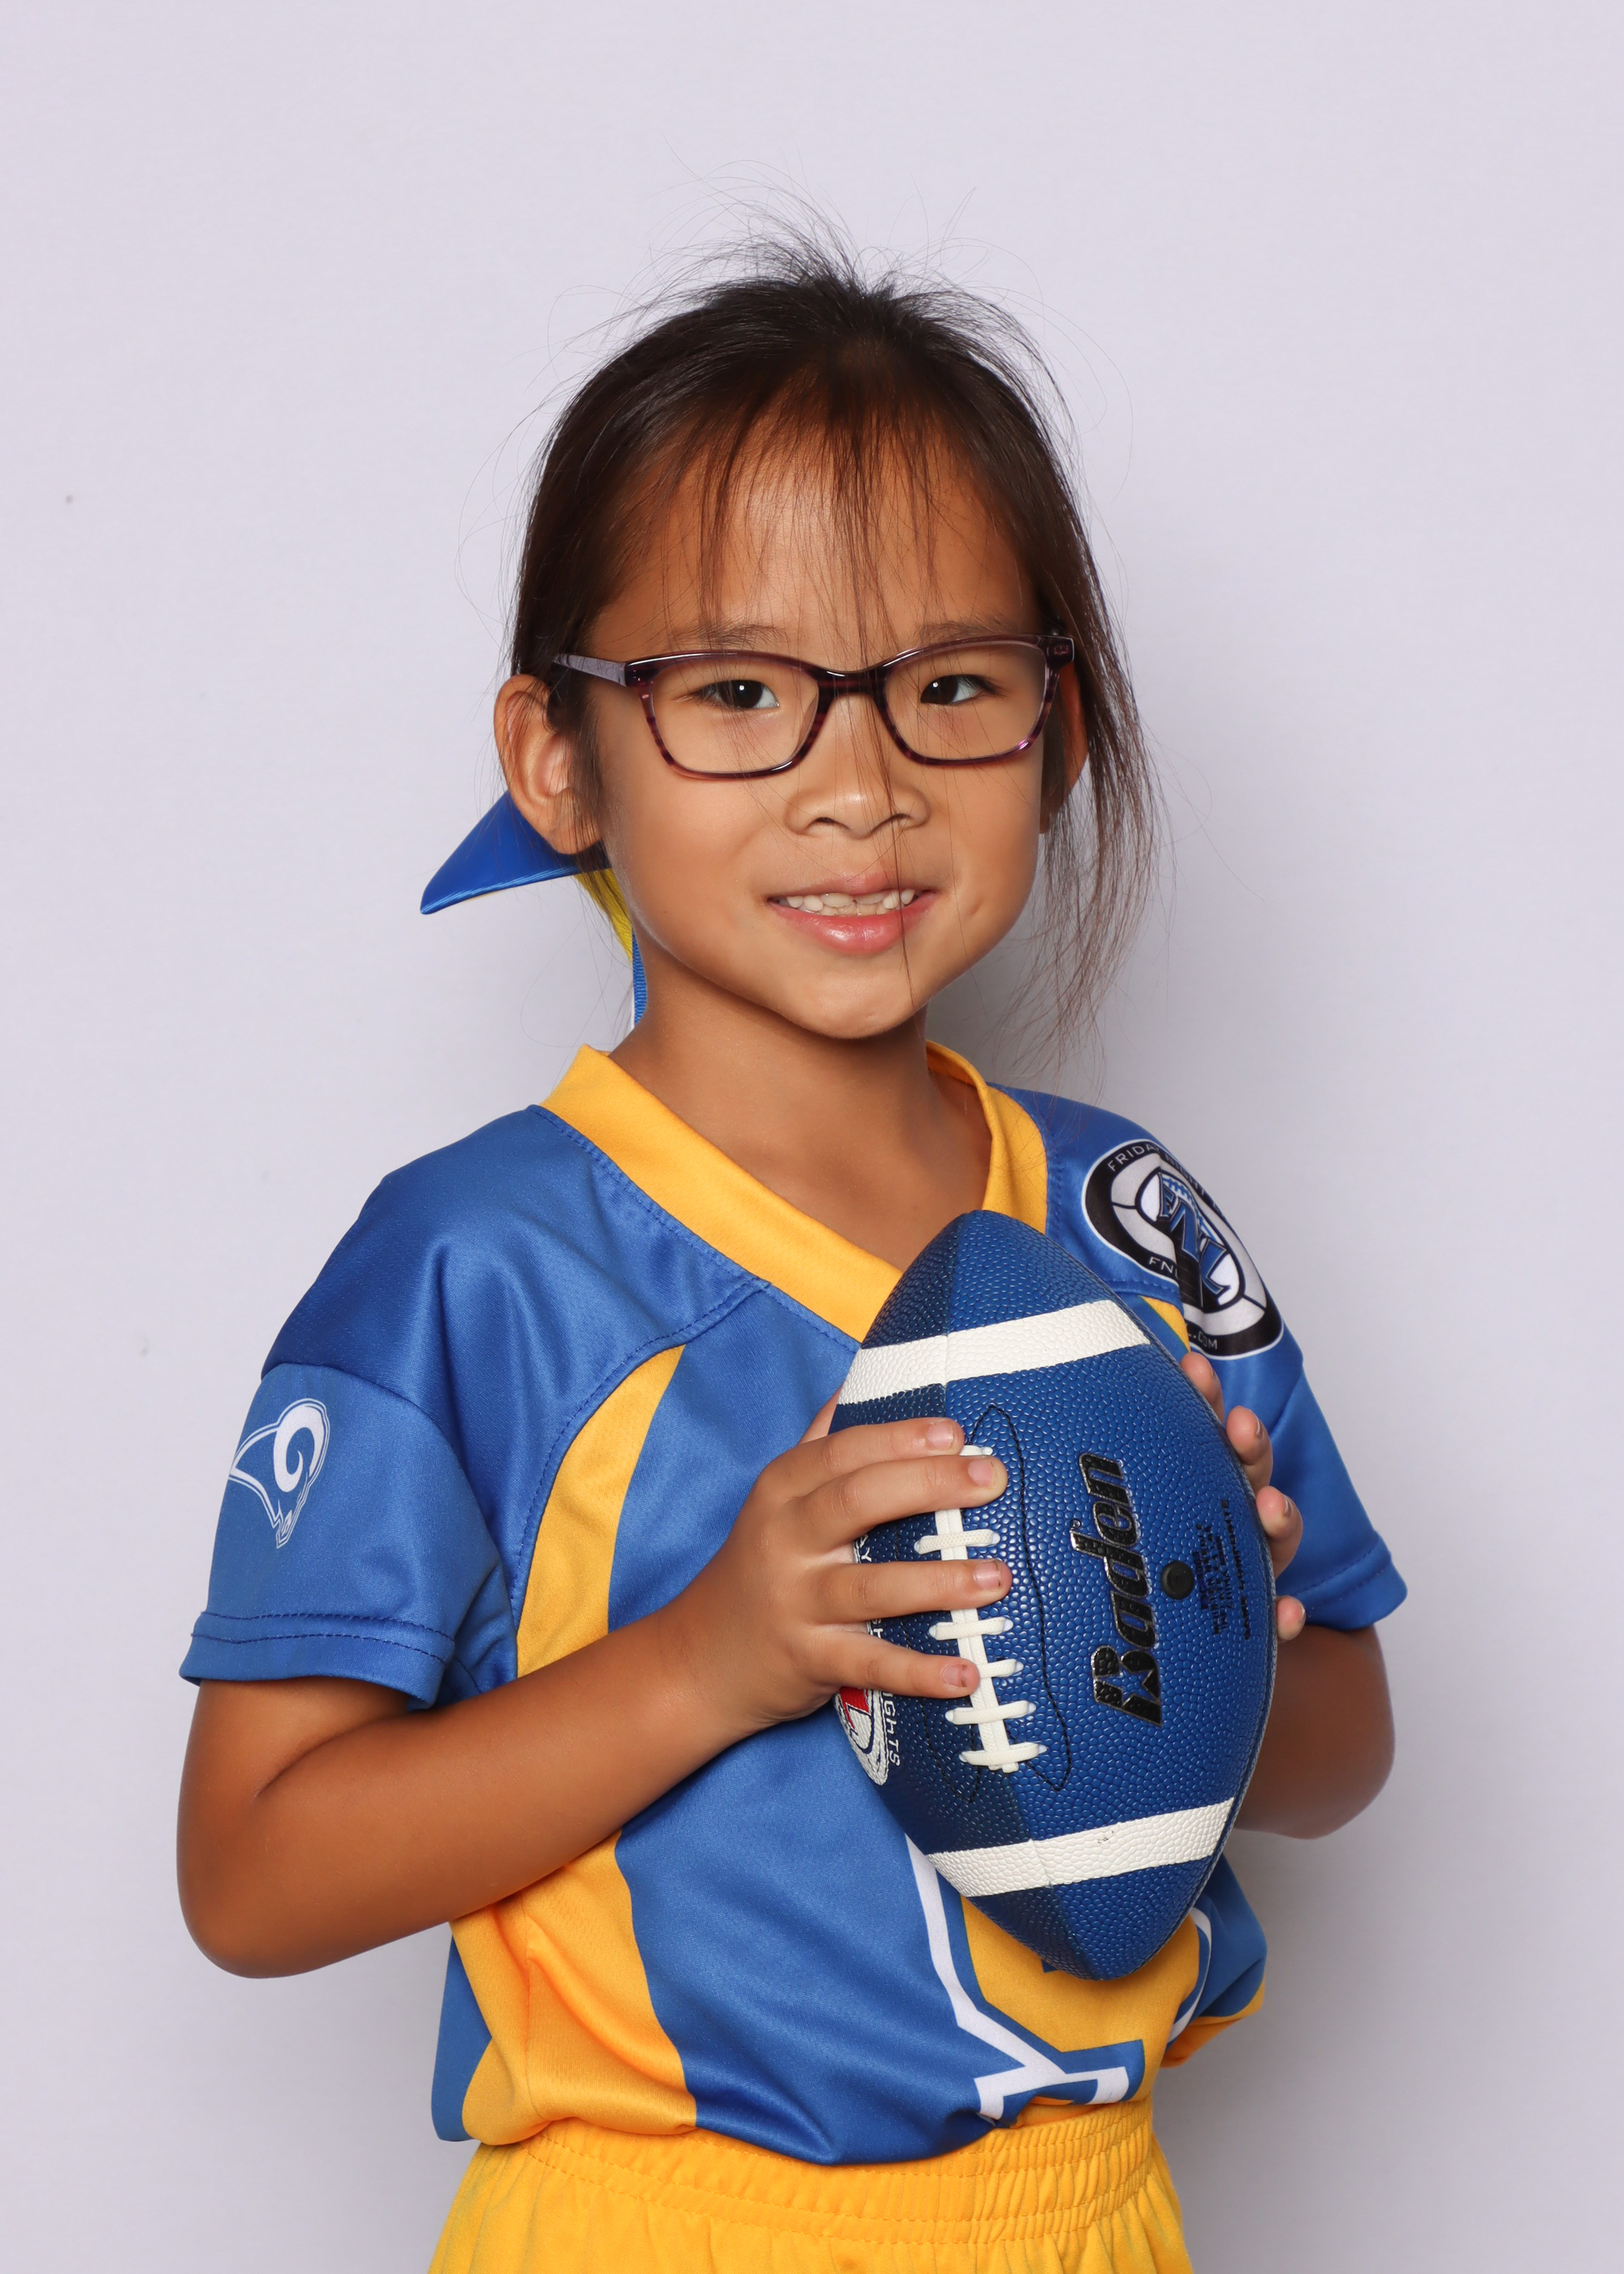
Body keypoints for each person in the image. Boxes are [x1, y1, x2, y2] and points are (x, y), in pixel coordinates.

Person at [177, 237, 1402, 2274]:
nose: (860, 785)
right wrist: (708, 1657)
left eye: (949, 687)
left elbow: (1348, 1751)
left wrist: (1199, 1632)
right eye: (739, 692)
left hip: (1089, 2219)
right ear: (556, 754)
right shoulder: (478, 1263)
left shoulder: (1118, 1216)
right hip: (658, 2226)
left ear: (1055, 732)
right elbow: (250, 1869)